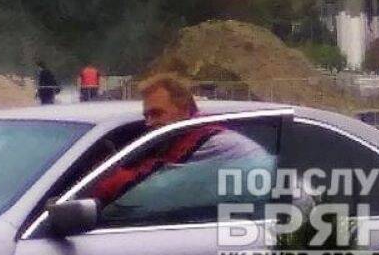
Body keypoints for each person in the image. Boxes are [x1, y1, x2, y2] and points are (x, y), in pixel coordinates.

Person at [90, 74, 262, 205]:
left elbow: (144, 186)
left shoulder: (210, 142)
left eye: (156, 113)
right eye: (147, 116)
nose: (149, 123)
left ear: (185, 110)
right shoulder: (181, 138)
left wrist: (104, 176)